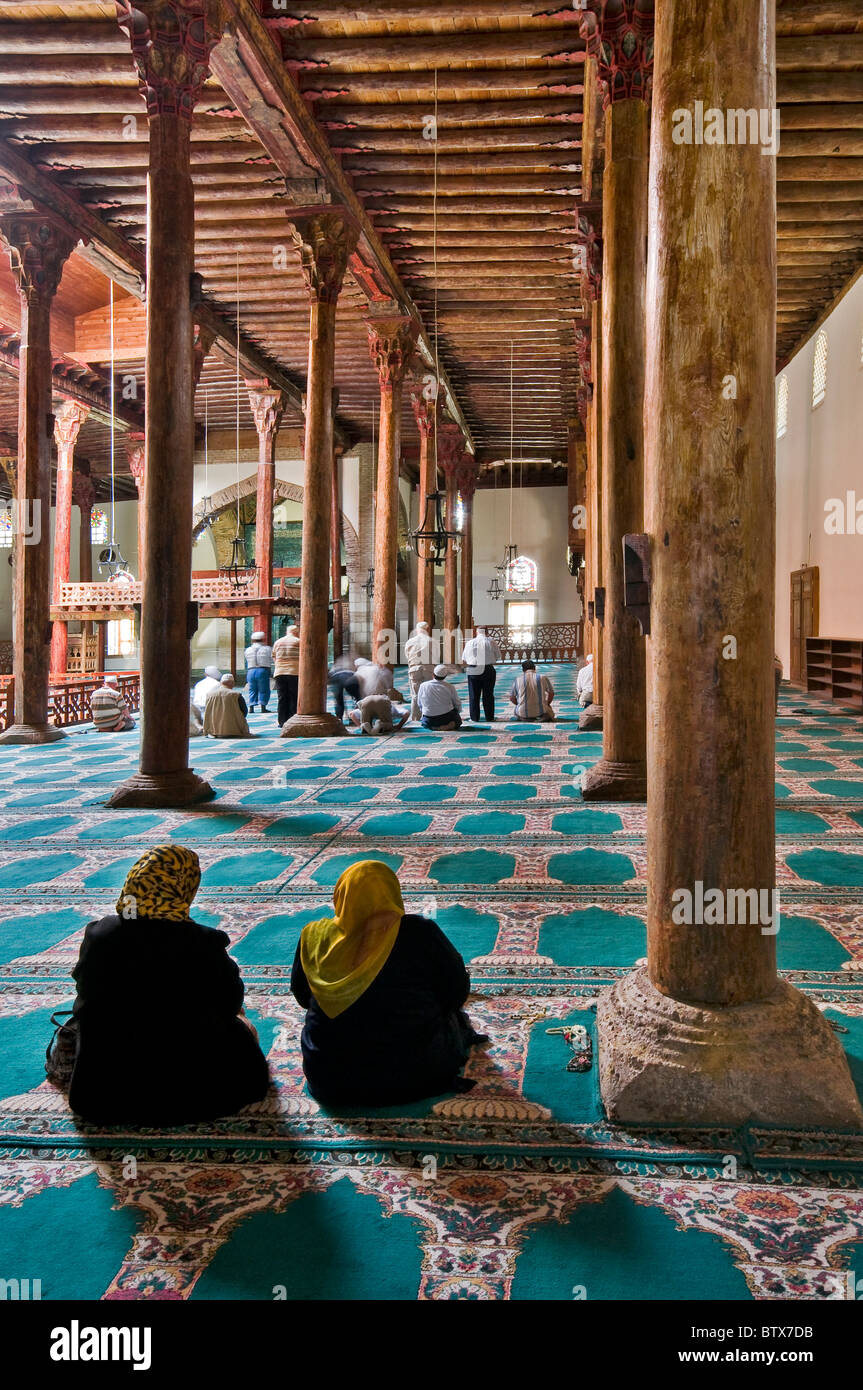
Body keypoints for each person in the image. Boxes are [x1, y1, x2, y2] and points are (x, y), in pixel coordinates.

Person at [46, 845, 270, 1126]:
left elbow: (86, 997)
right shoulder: (204, 943)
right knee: (241, 1023)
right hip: (204, 1096)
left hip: (102, 1097)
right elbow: (231, 1002)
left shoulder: (99, 934)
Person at [290, 860, 485, 1106]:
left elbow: (302, 996)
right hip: (415, 1074)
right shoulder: (419, 932)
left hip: (330, 1080)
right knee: (451, 1024)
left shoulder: (314, 937)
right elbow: (455, 992)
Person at [462, 624, 503, 723]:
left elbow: (464, 658)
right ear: (487, 632)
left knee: (473, 695)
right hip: (487, 669)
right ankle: (490, 717)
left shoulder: (470, 642)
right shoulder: (491, 642)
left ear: (476, 632)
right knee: (488, 694)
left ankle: (474, 718)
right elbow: (498, 656)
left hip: (473, 669)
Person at [203, 673, 252, 738]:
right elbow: (244, 711)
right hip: (235, 731)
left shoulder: (209, 694)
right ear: (232, 683)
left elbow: (207, 712)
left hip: (214, 731)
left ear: (221, 683)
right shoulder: (236, 695)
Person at [405, 621, 435, 722]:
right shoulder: (431, 641)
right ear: (427, 629)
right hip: (428, 669)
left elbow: (407, 655)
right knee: (428, 693)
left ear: (417, 630)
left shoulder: (410, 641)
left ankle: (415, 718)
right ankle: (428, 716)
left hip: (414, 669)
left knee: (415, 695)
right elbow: (436, 656)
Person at [417, 664, 462, 730]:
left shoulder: (423, 685)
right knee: (458, 721)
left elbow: (419, 703)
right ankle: (446, 726)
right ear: (445, 676)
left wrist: (426, 712)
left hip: (429, 719)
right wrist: (457, 712)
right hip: (446, 718)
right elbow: (457, 703)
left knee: (425, 724)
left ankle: (434, 727)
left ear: (433, 674)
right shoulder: (450, 686)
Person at [272, 621, 300, 726]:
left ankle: (282, 721)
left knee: (282, 697)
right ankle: (292, 719)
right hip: (294, 672)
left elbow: (274, 656)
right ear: (297, 632)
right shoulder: (298, 641)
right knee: (293, 696)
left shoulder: (278, 642)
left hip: (280, 672)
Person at [244, 629, 273, 713]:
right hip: (263, 670)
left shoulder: (248, 649)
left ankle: (251, 707)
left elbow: (246, 659)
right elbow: (271, 659)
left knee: (252, 689)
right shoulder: (267, 649)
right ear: (263, 639)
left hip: (251, 670)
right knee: (264, 689)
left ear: (252, 640)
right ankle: (263, 707)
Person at [328, 656, 361, 723]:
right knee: (357, 698)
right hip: (350, 677)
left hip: (335, 677)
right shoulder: (353, 664)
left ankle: (339, 719)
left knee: (339, 701)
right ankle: (355, 717)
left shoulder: (336, 665)